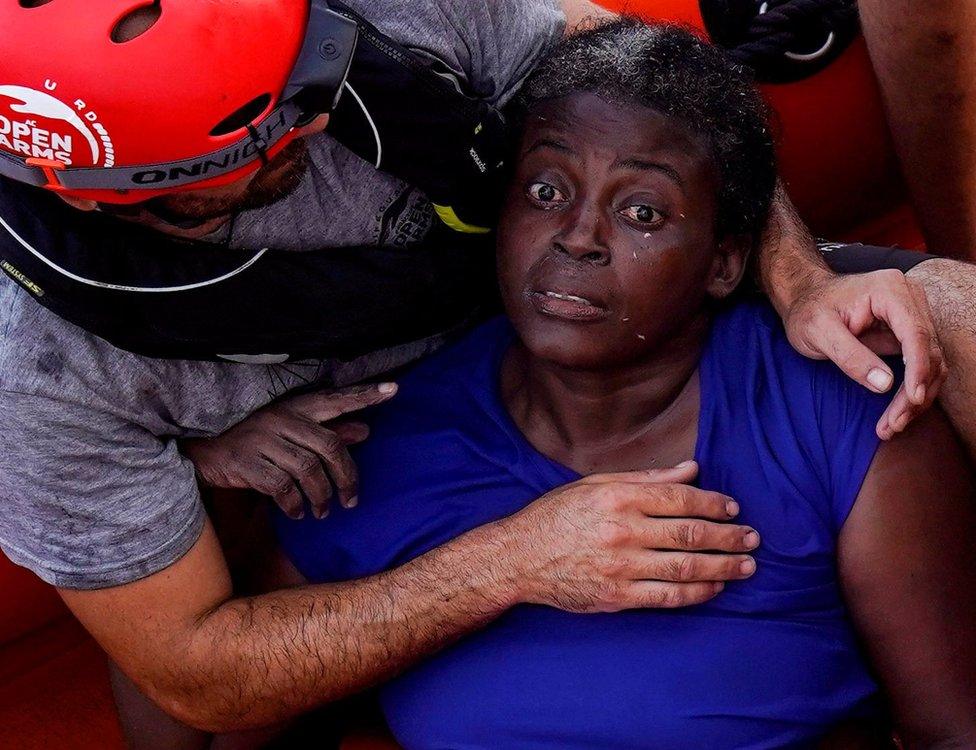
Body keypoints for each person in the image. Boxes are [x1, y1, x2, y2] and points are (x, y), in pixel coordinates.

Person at [274, 21, 976, 749]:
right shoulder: (381, 444)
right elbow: (216, 695)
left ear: (724, 264)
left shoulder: (836, 405)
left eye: (641, 212)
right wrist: (501, 567)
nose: (578, 237)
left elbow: (951, 731)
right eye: (546, 190)